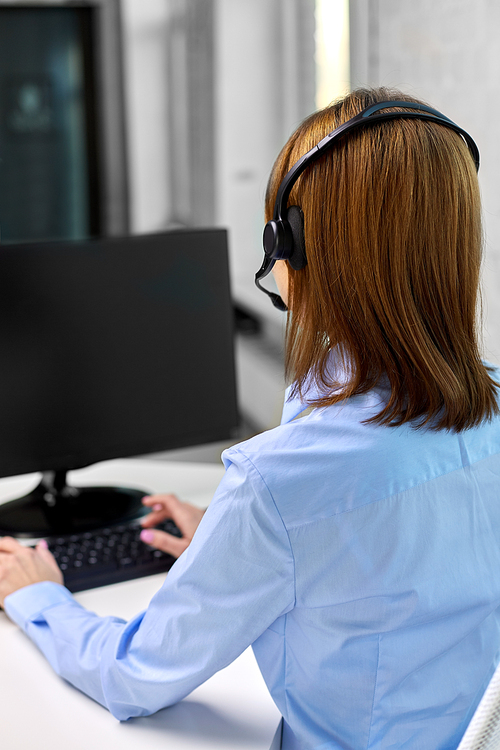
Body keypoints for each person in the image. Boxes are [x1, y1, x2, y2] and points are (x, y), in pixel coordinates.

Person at [1, 86, 500, 750]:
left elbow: (135, 675)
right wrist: (235, 542)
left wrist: (39, 596)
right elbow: (415, 563)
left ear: (290, 249)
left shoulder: (280, 481)